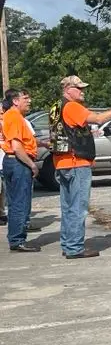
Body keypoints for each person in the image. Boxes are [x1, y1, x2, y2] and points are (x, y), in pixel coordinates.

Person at [51, 75, 111, 259]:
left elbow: (68, 130)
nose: (82, 91)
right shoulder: (73, 106)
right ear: (68, 89)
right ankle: (75, 248)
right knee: (78, 207)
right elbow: (100, 118)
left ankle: (68, 244)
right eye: (79, 88)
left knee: (68, 207)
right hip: (76, 163)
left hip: (62, 163)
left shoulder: (57, 106)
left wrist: (88, 133)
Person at [1, 88, 39, 252]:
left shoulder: (12, 116)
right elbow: (17, 147)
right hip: (18, 163)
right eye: (25, 98)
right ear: (15, 101)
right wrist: (31, 164)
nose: (29, 101)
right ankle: (17, 240)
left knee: (15, 201)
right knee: (19, 203)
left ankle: (16, 238)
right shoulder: (14, 116)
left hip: (11, 162)